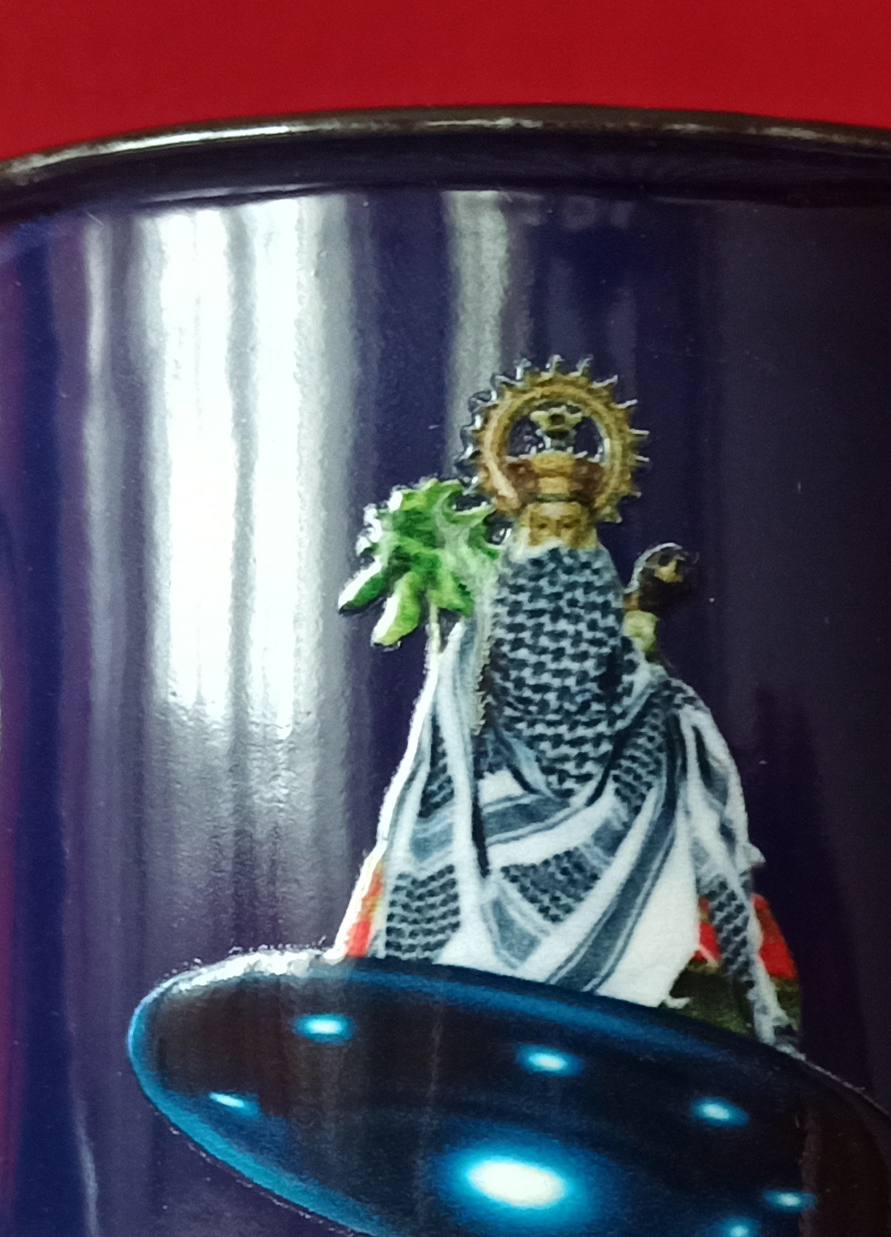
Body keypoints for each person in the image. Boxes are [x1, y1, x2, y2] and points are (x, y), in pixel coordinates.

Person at [333, 362, 799, 1049]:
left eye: (571, 531)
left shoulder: (659, 720)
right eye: (541, 528)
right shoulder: (468, 691)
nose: (555, 543)